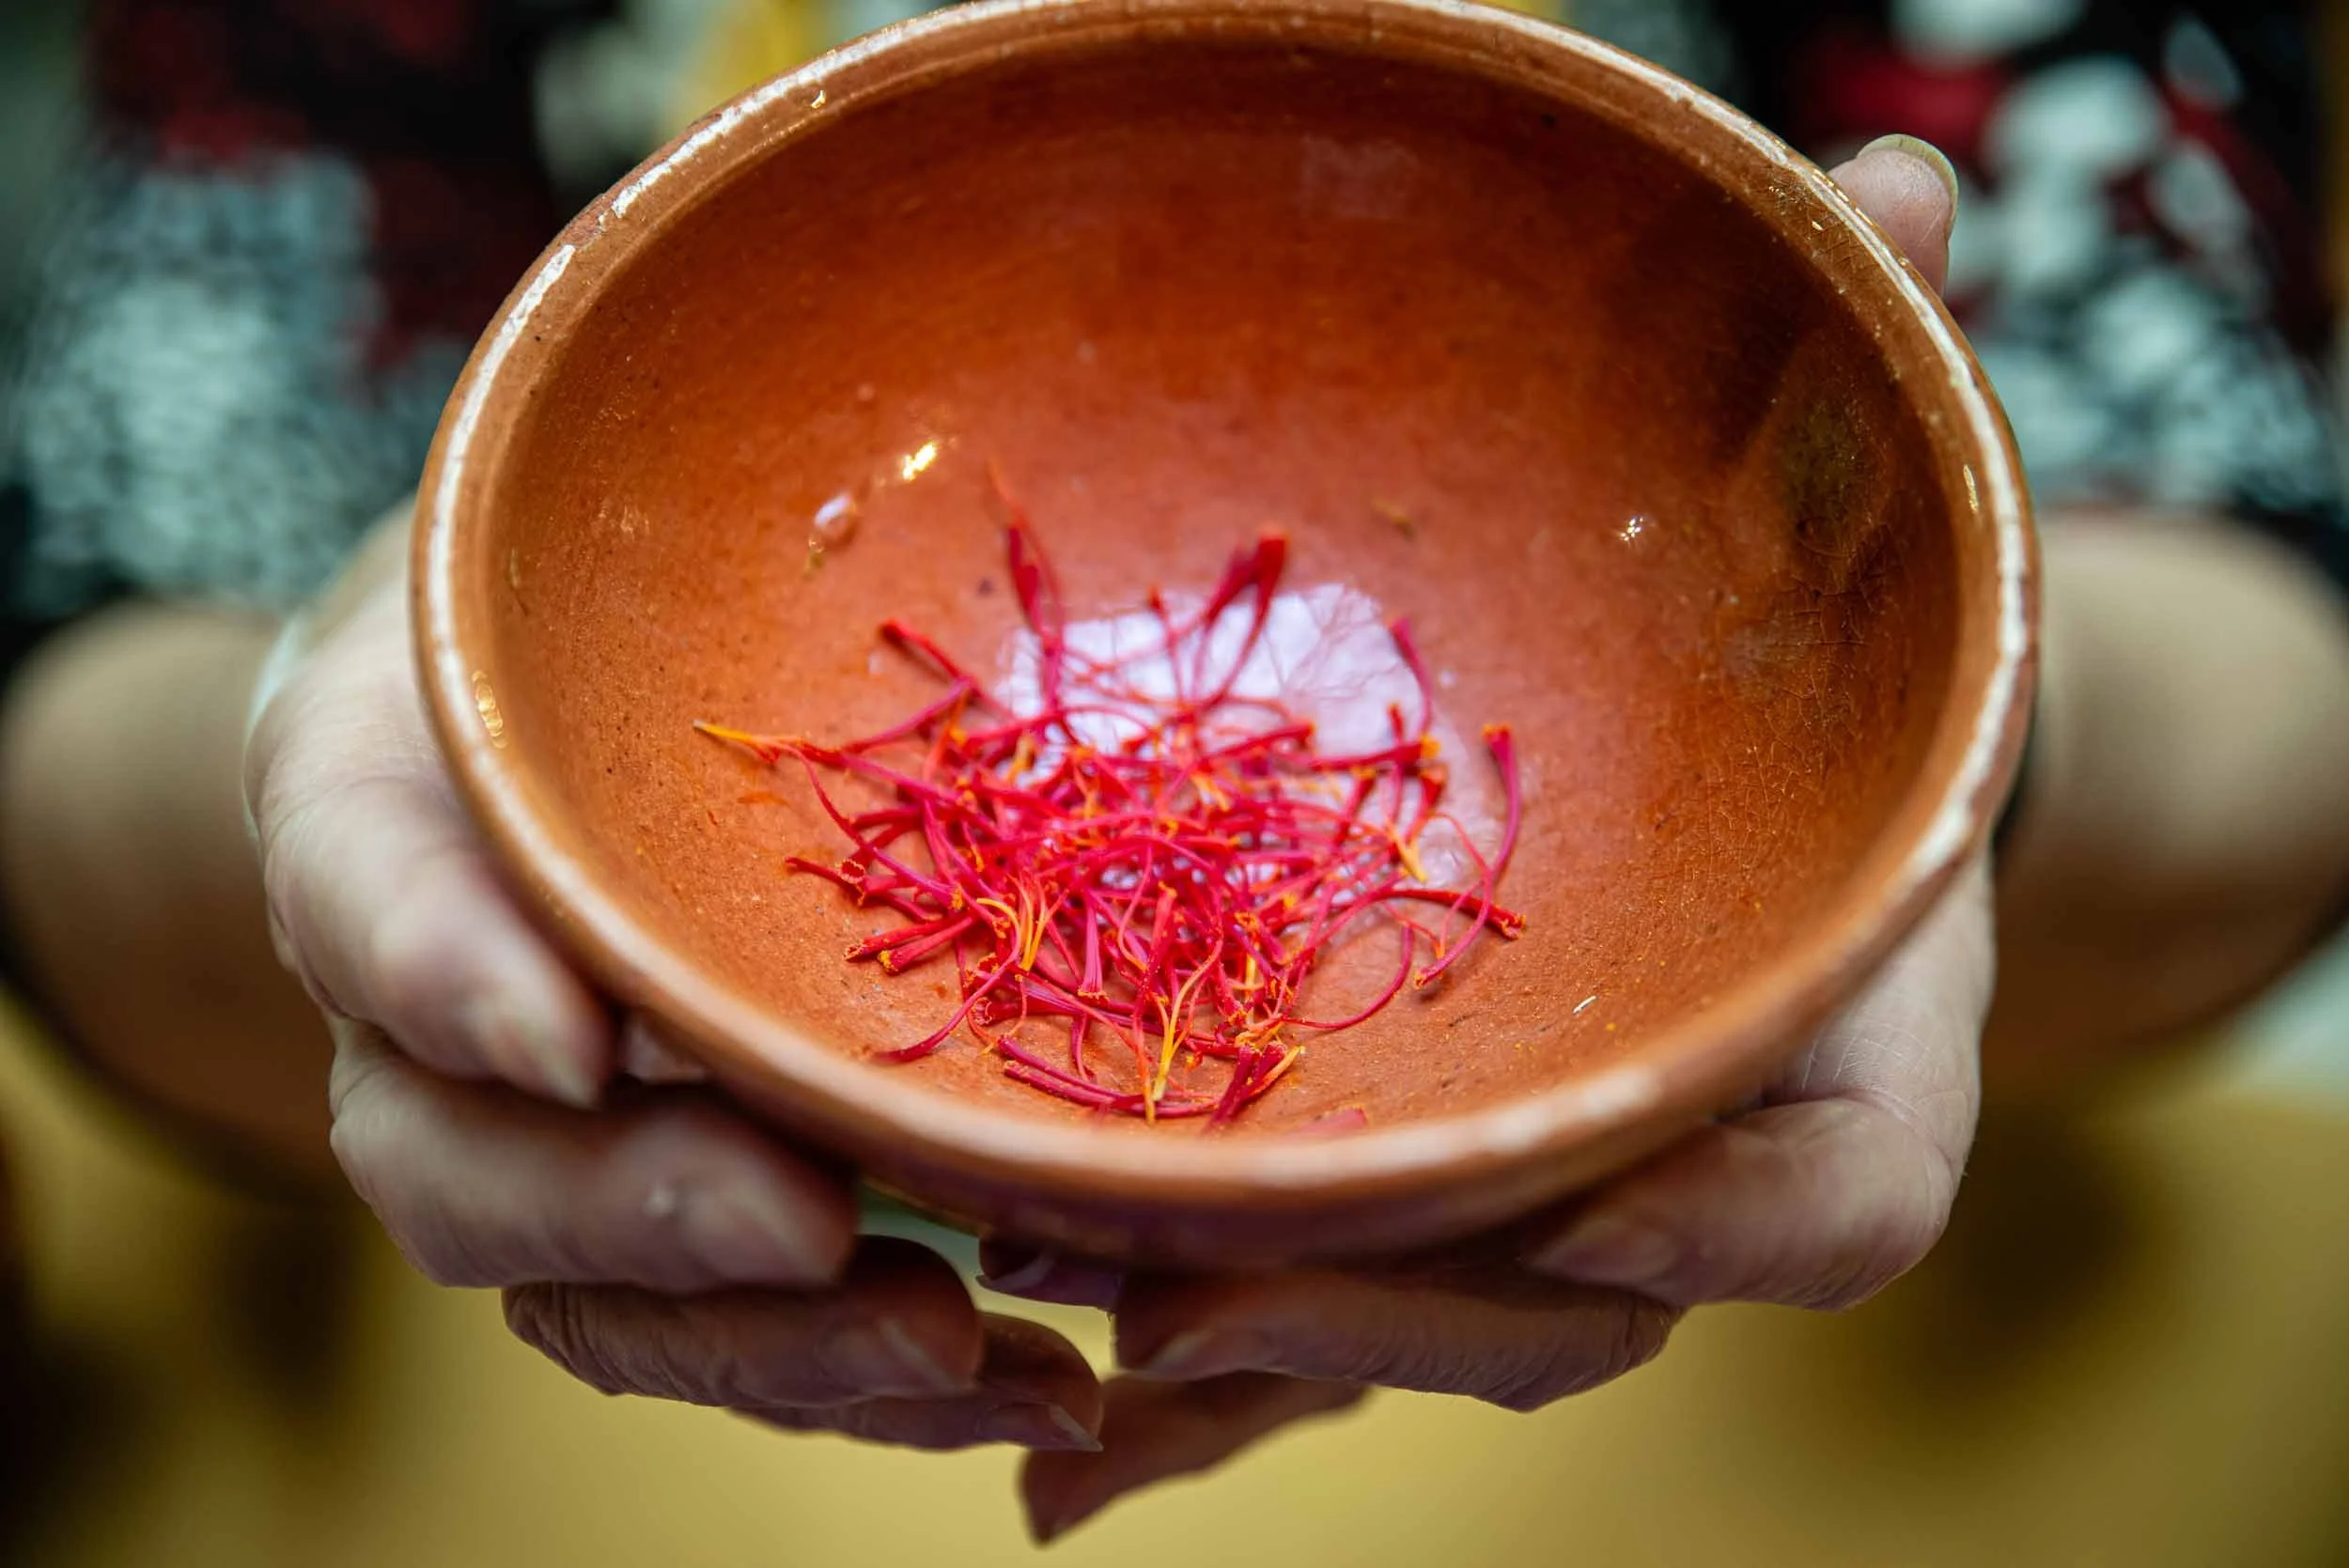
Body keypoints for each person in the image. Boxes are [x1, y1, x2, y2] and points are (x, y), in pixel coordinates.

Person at [2, 0, 2345, 1545]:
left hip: (1780, 1417)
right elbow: (83, 676)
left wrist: (1928, 761)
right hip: (537, 1383)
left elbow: (2273, 686)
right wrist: (368, 755)